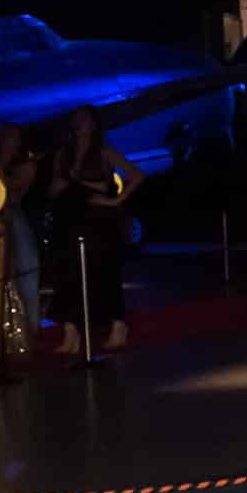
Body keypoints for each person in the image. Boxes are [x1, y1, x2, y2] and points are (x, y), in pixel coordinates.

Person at [47, 105, 141, 354]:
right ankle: (71, 333)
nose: (79, 124)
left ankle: (117, 326)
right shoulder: (62, 155)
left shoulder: (103, 151)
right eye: (76, 120)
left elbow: (135, 175)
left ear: (94, 124)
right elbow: (54, 187)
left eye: (85, 120)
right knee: (68, 275)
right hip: (69, 218)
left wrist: (114, 200)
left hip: (98, 222)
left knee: (104, 272)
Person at [0, 122, 43, 329]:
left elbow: (13, 191)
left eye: (13, 137)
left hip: (14, 216)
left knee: (25, 265)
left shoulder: (26, 165)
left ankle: (30, 320)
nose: (8, 140)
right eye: (5, 136)